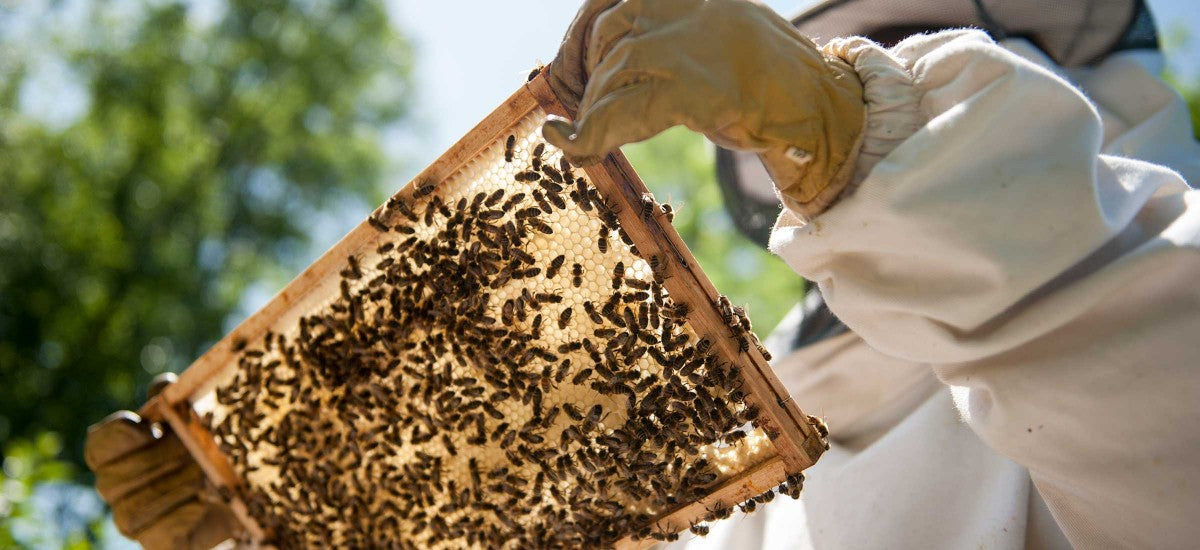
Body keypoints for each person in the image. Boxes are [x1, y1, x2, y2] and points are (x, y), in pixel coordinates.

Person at [86, 0, 1199, 548]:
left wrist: (847, 118)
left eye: (909, 49)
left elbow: (1155, 393)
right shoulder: (739, 500)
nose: (859, 72)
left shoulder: (1131, 334)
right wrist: (296, 519)